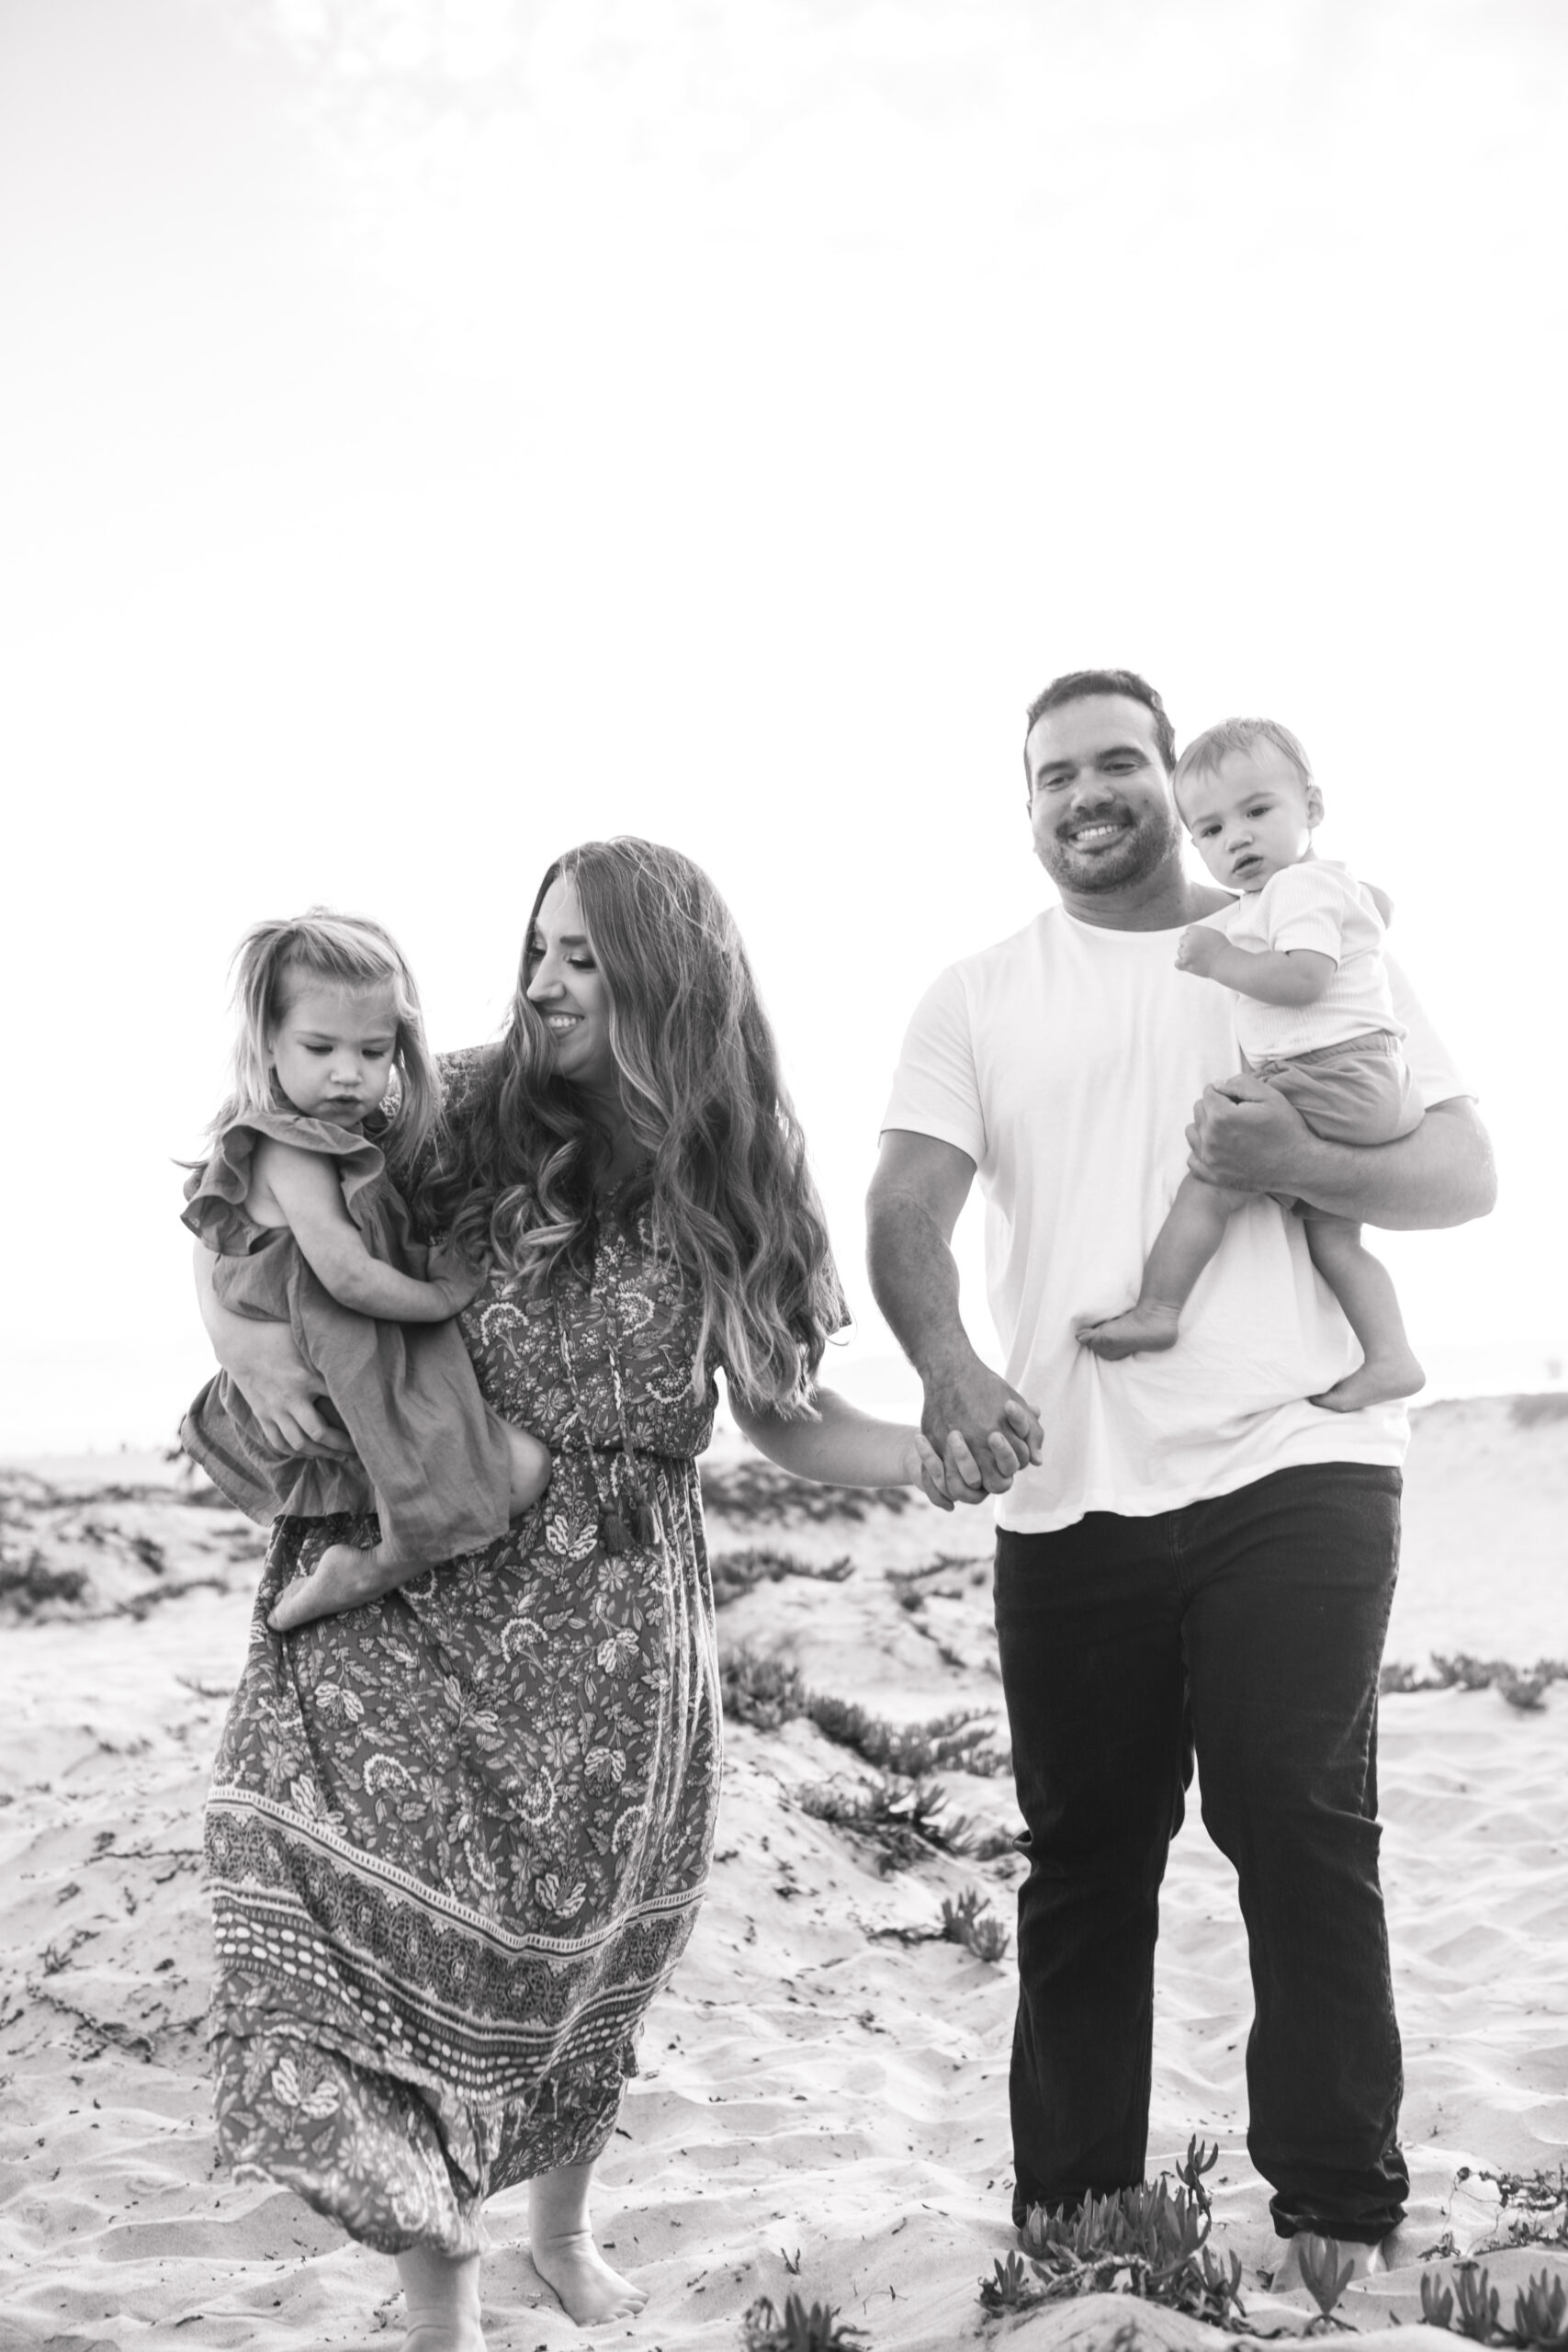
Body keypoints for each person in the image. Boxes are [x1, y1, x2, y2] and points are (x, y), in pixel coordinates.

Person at [193, 839, 947, 2350]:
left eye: (582, 956)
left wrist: (928, 1453)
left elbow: (783, 1415)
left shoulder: (732, 1169)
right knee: (329, 1896)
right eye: (538, 948)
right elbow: (251, 1181)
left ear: (667, 977)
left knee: (580, 1950)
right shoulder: (464, 1106)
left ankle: (562, 2232)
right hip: (430, 1573)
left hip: (615, 1595)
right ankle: (441, 2298)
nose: (541, 981)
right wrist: (246, 1345)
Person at [865, 669, 1495, 2281]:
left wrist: (1300, 1160)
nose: (1086, 794)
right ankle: (1075, 2216)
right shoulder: (978, 993)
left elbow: (1458, 1170)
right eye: (1050, 775)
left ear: (1169, 777)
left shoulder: (1296, 935)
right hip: (1067, 1478)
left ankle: (1337, 2206)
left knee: (1295, 1817)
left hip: (1298, 1450)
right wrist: (946, 1362)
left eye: (1118, 763)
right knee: (1085, 1856)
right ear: (1026, 807)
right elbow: (905, 1208)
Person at [181, 909, 551, 1622]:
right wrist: (440, 1297)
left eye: (373, 1052)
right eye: (319, 1047)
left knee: (517, 1471)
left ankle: (369, 1565)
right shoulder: (288, 1146)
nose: (349, 1074)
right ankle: (363, 1572)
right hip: (343, 1366)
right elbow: (344, 1275)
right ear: (266, 1043)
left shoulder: (351, 1133)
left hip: (364, 1362)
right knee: (518, 1471)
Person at [1077, 717, 1426, 1412]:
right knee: (1334, 1239)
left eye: (1256, 811)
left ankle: (1158, 1308)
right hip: (1371, 1077)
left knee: (1212, 1174)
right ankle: (1391, 1357)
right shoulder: (1324, 886)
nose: (1234, 838)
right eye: (1207, 830)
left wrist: (1219, 960)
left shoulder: (1293, 892)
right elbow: (1377, 911)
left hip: (1330, 1070)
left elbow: (1302, 979)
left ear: (1313, 809)